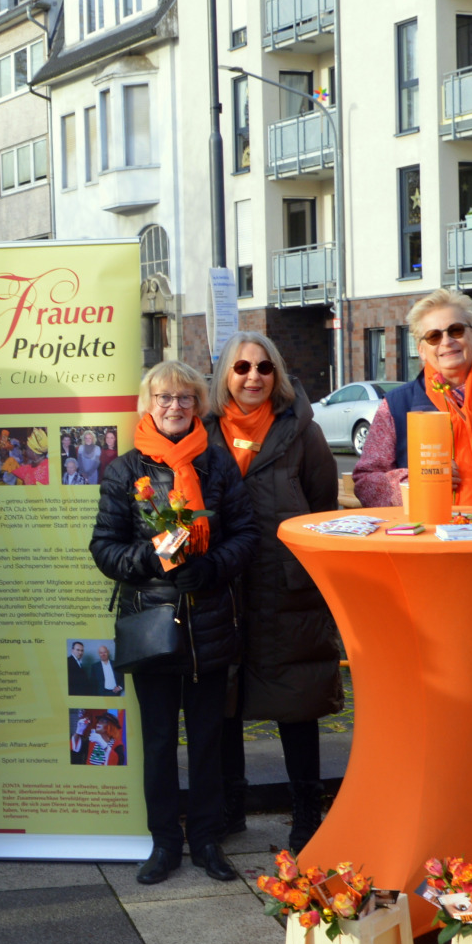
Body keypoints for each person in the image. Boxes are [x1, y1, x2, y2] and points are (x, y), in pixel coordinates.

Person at [90, 360, 256, 885]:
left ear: (198, 406)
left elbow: (246, 535)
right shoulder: (125, 470)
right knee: (159, 742)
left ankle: (206, 840)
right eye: (164, 397)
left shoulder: (217, 463)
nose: (175, 407)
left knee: (207, 739)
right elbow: (104, 548)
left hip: (209, 621)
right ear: (148, 404)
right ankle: (163, 843)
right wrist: (153, 558)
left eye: (185, 398)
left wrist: (210, 567)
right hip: (152, 624)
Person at [204, 331, 342, 851]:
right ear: (225, 375)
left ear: (277, 373)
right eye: (242, 368)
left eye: (264, 367)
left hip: (286, 589)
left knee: (295, 699)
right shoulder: (204, 431)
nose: (254, 377)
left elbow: (322, 509)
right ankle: (230, 808)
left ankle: (307, 813)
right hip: (224, 585)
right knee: (224, 700)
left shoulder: (302, 432)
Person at [354, 289, 472, 509]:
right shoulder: (396, 406)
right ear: (421, 350)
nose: (446, 341)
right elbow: (365, 482)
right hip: (426, 528)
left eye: (456, 330)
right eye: (434, 336)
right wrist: (418, 482)